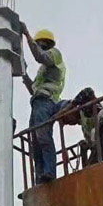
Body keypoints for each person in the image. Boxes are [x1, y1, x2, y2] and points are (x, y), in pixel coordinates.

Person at [20, 25, 68, 184]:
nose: (38, 46)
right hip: (37, 103)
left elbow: (40, 56)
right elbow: (34, 90)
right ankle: (40, 178)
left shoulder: (55, 55)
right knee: (35, 144)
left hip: (47, 102)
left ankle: (49, 171)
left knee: (43, 136)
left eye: (39, 43)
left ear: (46, 44)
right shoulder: (43, 70)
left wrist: (26, 34)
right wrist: (24, 75)